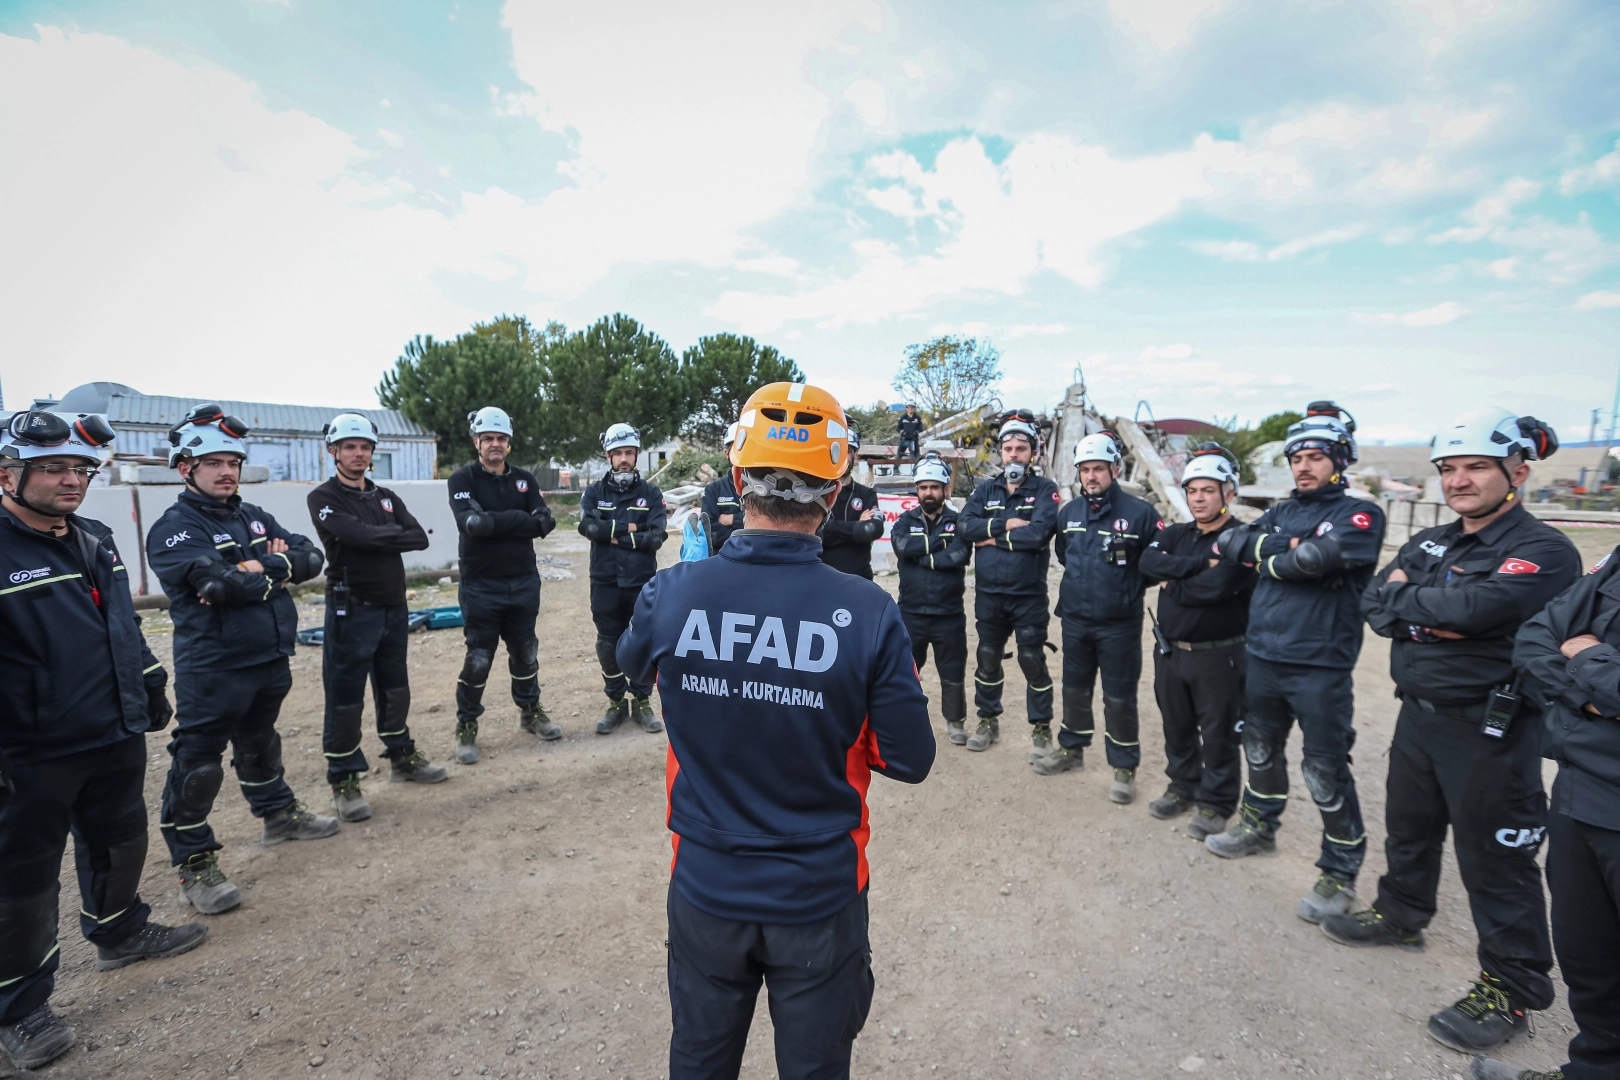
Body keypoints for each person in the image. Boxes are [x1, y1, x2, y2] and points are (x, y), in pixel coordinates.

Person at [616, 381, 934, 1080]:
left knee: (699, 1064)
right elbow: (910, 758)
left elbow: (634, 670)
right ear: (836, 488)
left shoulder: (672, 592)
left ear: (736, 477)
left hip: (706, 889)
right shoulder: (869, 612)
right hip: (818, 898)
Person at [1321, 407, 1576, 1053]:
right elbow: (1376, 603)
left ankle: (1511, 989)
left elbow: (1479, 607)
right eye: (1450, 469)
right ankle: (1403, 915)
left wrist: (1429, 608)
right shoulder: (1433, 540)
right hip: (1420, 716)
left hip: (1490, 730)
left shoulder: (1543, 550)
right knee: (1408, 824)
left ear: (1516, 470)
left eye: (1476, 467)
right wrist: (1434, 614)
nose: (1460, 481)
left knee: (1496, 861)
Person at [0, 411, 207, 1072]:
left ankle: (119, 932)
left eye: (81, 470)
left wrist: (147, 683)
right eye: (55, 469)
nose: (72, 481)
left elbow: (121, 624)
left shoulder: (95, 537)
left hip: (112, 730)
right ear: (9, 473)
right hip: (28, 752)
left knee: (121, 841)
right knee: (22, 881)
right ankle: (18, 1008)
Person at [147, 404, 339, 915]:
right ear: (185, 467)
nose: (226, 470)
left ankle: (278, 816)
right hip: (213, 666)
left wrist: (261, 566)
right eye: (213, 462)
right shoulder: (175, 528)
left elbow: (312, 556)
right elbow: (218, 585)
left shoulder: (252, 514)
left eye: (232, 461)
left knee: (260, 741)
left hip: (268, 656)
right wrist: (275, 569)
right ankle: (195, 863)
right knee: (199, 764)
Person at [1204, 403, 1387, 920]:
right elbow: (1228, 540)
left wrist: (1268, 555)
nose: (1304, 466)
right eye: (1298, 457)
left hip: (1320, 664)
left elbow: (1318, 559)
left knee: (1324, 768)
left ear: (1340, 460)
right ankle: (1259, 826)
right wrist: (1288, 550)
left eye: (1316, 457)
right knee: (1259, 747)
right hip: (1263, 653)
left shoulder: (1360, 513)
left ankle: (1339, 871)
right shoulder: (1283, 512)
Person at [1506, 532, 1620, 1080]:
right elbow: (1535, 639)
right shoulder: (1616, 563)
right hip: (1581, 789)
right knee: (1589, 963)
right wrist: (1594, 692)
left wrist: (1589, 655)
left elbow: (1570, 648)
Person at [308, 412, 445, 822]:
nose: (358, 454)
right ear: (333, 451)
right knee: (346, 697)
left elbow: (418, 536)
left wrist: (372, 536)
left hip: (393, 607)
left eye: (364, 447)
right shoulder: (323, 497)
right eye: (349, 447)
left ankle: (402, 756)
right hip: (352, 610)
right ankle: (343, 779)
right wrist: (386, 536)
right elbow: (361, 536)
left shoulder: (385, 496)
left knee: (394, 688)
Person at [1035, 433, 1163, 802]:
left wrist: (1125, 588)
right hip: (1076, 620)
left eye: (1099, 469)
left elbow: (1155, 563)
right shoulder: (1070, 513)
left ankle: (1124, 768)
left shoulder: (1140, 513)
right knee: (1075, 689)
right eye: (1085, 470)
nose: (1091, 476)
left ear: (1115, 469)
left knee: (1119, 697)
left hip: (1119, 625)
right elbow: (1064, 554)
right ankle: (1072, 751)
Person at [1137, 445, 1254, 839]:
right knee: (1177, 725)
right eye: (1193, 490)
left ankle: (1217, 804)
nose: (1199, 498)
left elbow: (1216, 588)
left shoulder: (1241, 539)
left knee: (1220, 733)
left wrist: (1175, 582)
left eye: (1208, 490)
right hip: (1171, 652)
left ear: (1229, 494)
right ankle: (1182, 787)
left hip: (1219, 657)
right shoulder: (1174, 534)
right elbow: (1148, 563)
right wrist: (1200, 566)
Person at [447, 406, 559, 765]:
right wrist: (519, 519)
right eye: (488, 438)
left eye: (501, 438)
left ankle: (530, 712)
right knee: (479, 659)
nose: (495, 444)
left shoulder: (523, 479)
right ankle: (466, 726)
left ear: (508, 443)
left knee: (526, 653)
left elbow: (546, 522)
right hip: (481, 585)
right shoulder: (462, 480)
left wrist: (496, 521)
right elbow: (471, 524)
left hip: (523, 582)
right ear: (477, 441)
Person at [957, 417, 1061, 756]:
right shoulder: (986, 489)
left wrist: (992, 540)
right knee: (988, 656)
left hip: (1028, 595)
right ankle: (988, 720)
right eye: (1008, 449)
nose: (1014, 455)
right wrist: (1006, 523)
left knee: (1032, 658)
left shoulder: (1045, 489)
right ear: (1000, 452)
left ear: (1032, 452)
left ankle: (1042, 726)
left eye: (1021, 449)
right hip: (989, 595)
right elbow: (965, 526)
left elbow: (1039, 535)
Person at [578, 422, 667, 735]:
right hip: (604, 579)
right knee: (607, 642)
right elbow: (588, 528)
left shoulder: (651, 494)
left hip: (641, 580)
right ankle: (616, 700)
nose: (624, 459)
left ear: (637, 454)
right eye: (618, 453)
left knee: (642, 640)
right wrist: (632, 529)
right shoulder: (594, 492)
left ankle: (642, 700)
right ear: (608, 456)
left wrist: (611, 533)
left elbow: (656, 537)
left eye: (629, 452)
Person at [890, 452, 971, 742]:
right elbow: (901, 547)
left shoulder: (959, 521)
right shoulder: (904, 520)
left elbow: (960, 555)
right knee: (905, 674)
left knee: (952, 672)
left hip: (948, 612)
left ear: (945, 489)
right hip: (911, 612)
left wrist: (922, 554)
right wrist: (938, 544)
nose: (929, 492)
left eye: (934, 487)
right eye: (923, 487)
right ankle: (902, 722)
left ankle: (956, 723)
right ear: (916, 489)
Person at [819, 429, 884, 580]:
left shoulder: (866, 494)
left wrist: (829, 526)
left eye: (847, 451)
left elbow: (871, 530)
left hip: (860, 579)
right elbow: (817, 535)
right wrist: (857, 526)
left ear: (855, 456)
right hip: (823, 579)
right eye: (837, 449)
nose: (842, 456)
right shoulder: (816, 492)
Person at [700, 422, 745, 553]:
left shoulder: (765, 489)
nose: (743, 452)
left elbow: (769, 528)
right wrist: (748, 534)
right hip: (722, 559)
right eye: (737, 447)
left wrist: (733, 519)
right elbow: (710, 533)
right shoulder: (713, 490)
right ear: (727, 453)